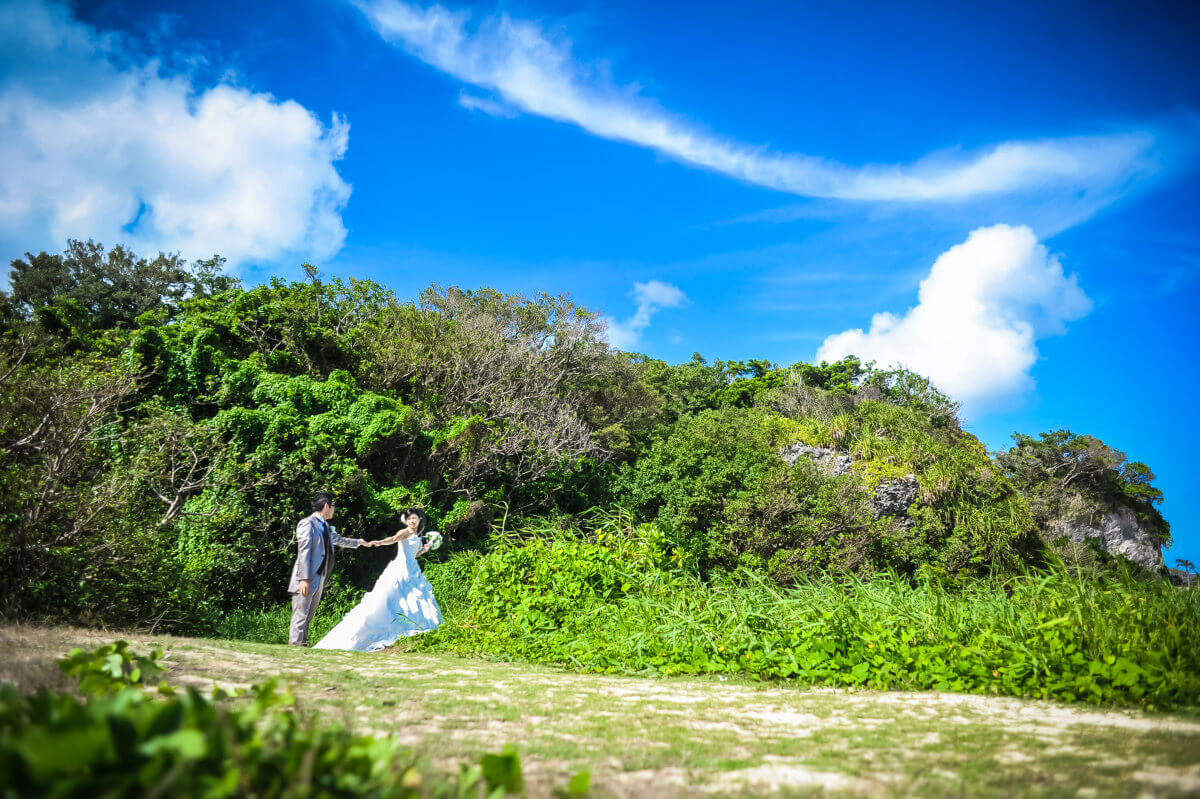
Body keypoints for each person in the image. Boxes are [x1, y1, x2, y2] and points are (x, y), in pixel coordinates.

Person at [314, 507, 443, 652]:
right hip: (401, 569)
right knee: (391, 600)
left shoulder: (418, 535)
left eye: (415, 518)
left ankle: (414, 628)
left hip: (413, 570)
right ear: (406, 521)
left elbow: (415, 554)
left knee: (414, 599)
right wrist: (381, 542)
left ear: (420, 519)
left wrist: (424, 549)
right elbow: (393, 539)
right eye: (409, 518)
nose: (412, 520)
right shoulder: (405, 532)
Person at [287, 491, 373, 646]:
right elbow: (304, 552)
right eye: (333, 506)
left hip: (319, 577)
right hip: (306, 577)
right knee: (301, 613)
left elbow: (338, 540)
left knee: (309, 614)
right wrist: (304, 579)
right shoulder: (308, 523)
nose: (334, 509)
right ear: (326, 506)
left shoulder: (325, 526)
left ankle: (302, 644)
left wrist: (359, 542)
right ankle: (295, 645)